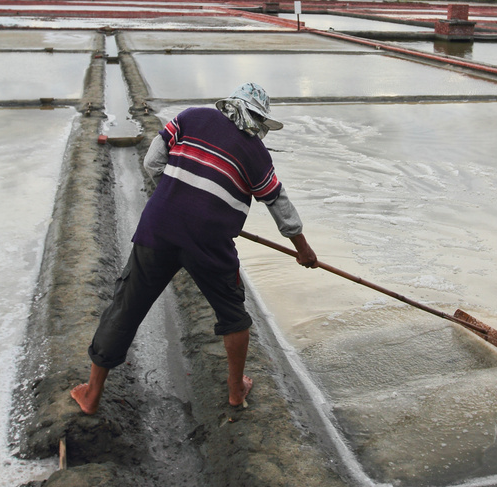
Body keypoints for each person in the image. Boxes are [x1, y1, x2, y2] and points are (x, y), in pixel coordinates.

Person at [70, 82, 317, 415]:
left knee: (125, 307)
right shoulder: (258, 156)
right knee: (234, 317)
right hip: (210, 241)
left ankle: (92, 394)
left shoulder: (190, 118)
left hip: (159, 226)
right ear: (257, 118)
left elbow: (151, 164)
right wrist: (303, 250)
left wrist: (177, 198)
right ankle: (235, 392)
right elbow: (279, 205)